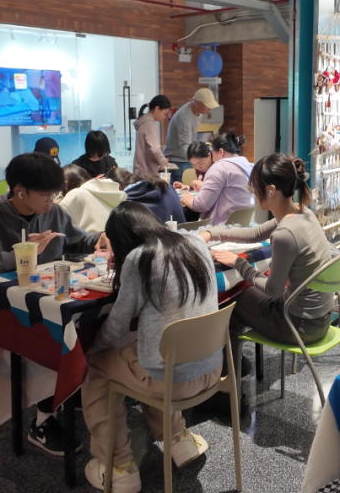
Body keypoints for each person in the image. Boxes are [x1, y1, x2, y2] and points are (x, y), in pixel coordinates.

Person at [0, 153, 108, 456]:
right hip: (4, 312)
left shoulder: (55, 212)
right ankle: (42, 421)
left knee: (95, 323)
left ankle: (71, 387)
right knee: (53, 336)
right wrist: (19, 255)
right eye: (45, 195)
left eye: (54, 194)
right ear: (19, 192)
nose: (51, 201)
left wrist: (100, 238)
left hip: (48, 299)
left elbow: (77, 240)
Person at [81, 202, 221, 493]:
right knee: (143, 354)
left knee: (97, 367)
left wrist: (92, 348)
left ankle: (119, 467)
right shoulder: (194, 242)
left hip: (172, 381)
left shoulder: (139, 258)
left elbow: (118, 323)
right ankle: (178, 439)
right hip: (211, 369)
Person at [199, 153, 332, 374]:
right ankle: (234, 369)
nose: (252, 193)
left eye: (254, 188)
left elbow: (273, 291)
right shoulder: (302, 212)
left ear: (270, 190)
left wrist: (238, 263)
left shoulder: (285, 233)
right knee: (243, 292)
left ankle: (228, 378)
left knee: (231, 300)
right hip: (320, 319)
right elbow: (254, 234)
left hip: (299, 326)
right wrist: (212, 232)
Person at [180, 130, 253, 226]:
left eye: (212, 152)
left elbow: (201, 205)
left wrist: (188, 199)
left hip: (222, 227)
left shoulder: (220, 167)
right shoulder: (248, 165)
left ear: (221, 152)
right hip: (244, 224)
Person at [163, 88, 220, 184]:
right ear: (198, 103)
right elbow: (185, 147)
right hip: (178, 161)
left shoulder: (198, 112)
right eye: (208, 106)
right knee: (182, 189)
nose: (209, 109)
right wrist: (200, 158)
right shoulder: (184, 118)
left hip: (187, 159)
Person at [106, 167, 186, 225]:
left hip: (160, 242)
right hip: (186, 237)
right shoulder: (166, 186)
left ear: (119, 187)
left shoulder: (127, 204)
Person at [59, 166, 127, 234]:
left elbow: (58, 226)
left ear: (65, 183)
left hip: (92, 239)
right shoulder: (109, 192)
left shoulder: (74, 195)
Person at [133, 95, 172, 176]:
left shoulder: (144, 121)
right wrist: (163, 161)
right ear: (157, 109)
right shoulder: (149, 124)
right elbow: (155, 149)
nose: (164, 117)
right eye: (164, 114)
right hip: (147, 173)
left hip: (141, 170)